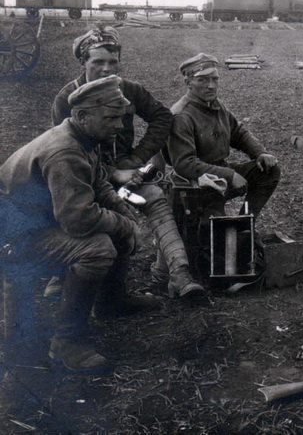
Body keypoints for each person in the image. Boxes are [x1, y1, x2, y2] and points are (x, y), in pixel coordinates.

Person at [0, 76, 161, 373]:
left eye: (120, 117)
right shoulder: (65, 151)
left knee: (114, 226)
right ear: (82, 116)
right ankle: (66, 342)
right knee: (97, 247)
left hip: (36, 223)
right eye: (111, 118)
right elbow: (78, 219)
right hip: (14, 238)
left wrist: (123, 214)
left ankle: (111, 302)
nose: (118, 125)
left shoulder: (85, 136)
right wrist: (124, 226)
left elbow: (99, 184)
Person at [51, 25, 203, 299]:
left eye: (113, 62)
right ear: (82, 62)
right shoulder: (66, 99)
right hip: (82, 178)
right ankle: (63, 274)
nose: (107, 69)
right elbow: (65, 153)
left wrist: (136, 158)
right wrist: (111, 172)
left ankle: (180, 275)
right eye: (98, 62)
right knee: (83, 213)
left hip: (125, 173)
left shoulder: (130, 90)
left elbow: (162, 117)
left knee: (155, 198)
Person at [168, 53, 280, 222]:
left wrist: (260, 153)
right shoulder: (182, 116)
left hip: (218, 172)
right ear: (188, 83)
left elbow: (238, 133)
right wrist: (229, 175)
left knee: (269, 171)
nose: (211, 86)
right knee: (214, 233)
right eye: (203, 80)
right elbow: (185, 164)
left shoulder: (216, 105)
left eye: (215, 79)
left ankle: (245, 223)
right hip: (197, 184)